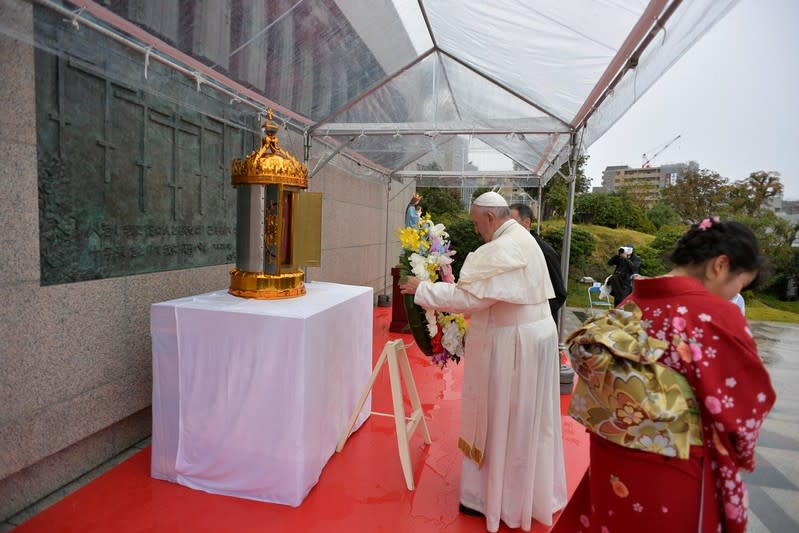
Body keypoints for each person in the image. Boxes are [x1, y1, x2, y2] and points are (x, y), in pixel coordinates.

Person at [567, 217, 776, 533]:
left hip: (612, 453)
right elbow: (743, 410)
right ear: (720, 265)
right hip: (675, 465)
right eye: (740, 284)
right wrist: (742, 452)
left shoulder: (631, 303)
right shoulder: (715, 316)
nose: (735, 294)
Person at [400, 192, 567, 532]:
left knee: (505, 419)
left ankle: (498, 500)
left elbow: (470, 299)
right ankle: (520, 495)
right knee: (526, 421)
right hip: (534, 337)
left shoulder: (501, 249)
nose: (477, 231)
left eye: (477, 224)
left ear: (491, 218)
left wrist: (422, 288)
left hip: (515, 344)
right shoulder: (522, 237)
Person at [509, 203, 567, 324]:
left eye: (512, 223)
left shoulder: (545, 252)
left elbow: (559, 293)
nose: (507, 228)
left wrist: (534, 315)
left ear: (527, 222)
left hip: (539, 325)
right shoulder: (512, 248)